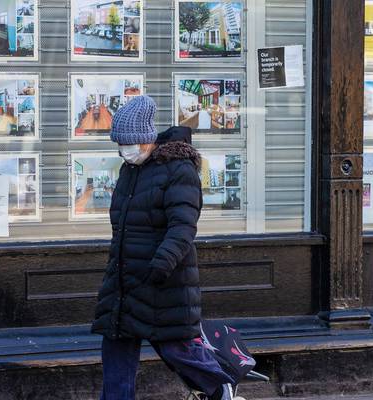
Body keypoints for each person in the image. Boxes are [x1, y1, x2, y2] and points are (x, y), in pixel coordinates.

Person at [91, 95, 235, 400]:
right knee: (115, 354)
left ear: (146, 139)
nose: (123, 150)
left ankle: (218, 385)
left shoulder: (178, 170)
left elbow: (182, 228)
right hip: (124, 281)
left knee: (176, 349)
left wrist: (159, 266)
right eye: (119, 143)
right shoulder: (130, 170)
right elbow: (124, 226)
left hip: (162, 280)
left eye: (128, 142)